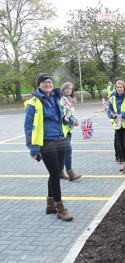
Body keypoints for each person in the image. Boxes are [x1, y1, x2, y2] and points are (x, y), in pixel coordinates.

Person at [24, 73, 73, 221]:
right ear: (39, 85)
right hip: (46, 143)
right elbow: (28, 127)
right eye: (44, 82)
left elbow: (66, 116)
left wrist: (69, 120)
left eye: (50, 82)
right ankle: (60, 207)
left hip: (60, 140)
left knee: (56, 172)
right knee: (55, 174)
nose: (48, 84)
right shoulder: (33, 103)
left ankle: (50, 204)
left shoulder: (58, 99)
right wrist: (33, 149)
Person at [60, 82, 81, 181]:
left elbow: (70, 115)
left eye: (70, 89)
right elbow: (64, 116)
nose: (69, 90)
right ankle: (70, 173)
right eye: (67, 89)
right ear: (63, 89)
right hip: (62, 129)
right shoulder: (61, 100)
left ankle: (60, 171)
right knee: (68, 150)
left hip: (68, 129)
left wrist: (74, 120)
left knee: (63, 152)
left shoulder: (70, 100)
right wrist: (72, 121)